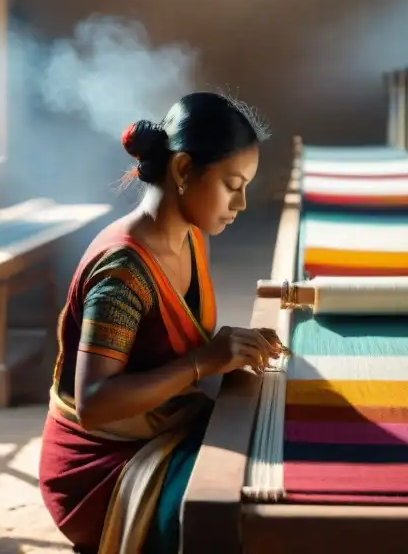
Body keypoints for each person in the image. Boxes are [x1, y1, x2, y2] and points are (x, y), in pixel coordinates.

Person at [39, 91, 283, 554]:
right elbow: (94, 404)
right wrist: (204, 361)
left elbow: (178, 347)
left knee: (275, 450)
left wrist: (230, 352)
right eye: (233, 184)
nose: (243, 202)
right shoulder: (123, 273)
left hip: (163, 425)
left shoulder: (191, 238)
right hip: (102, 467)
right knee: (235, 508)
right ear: (184, 170)